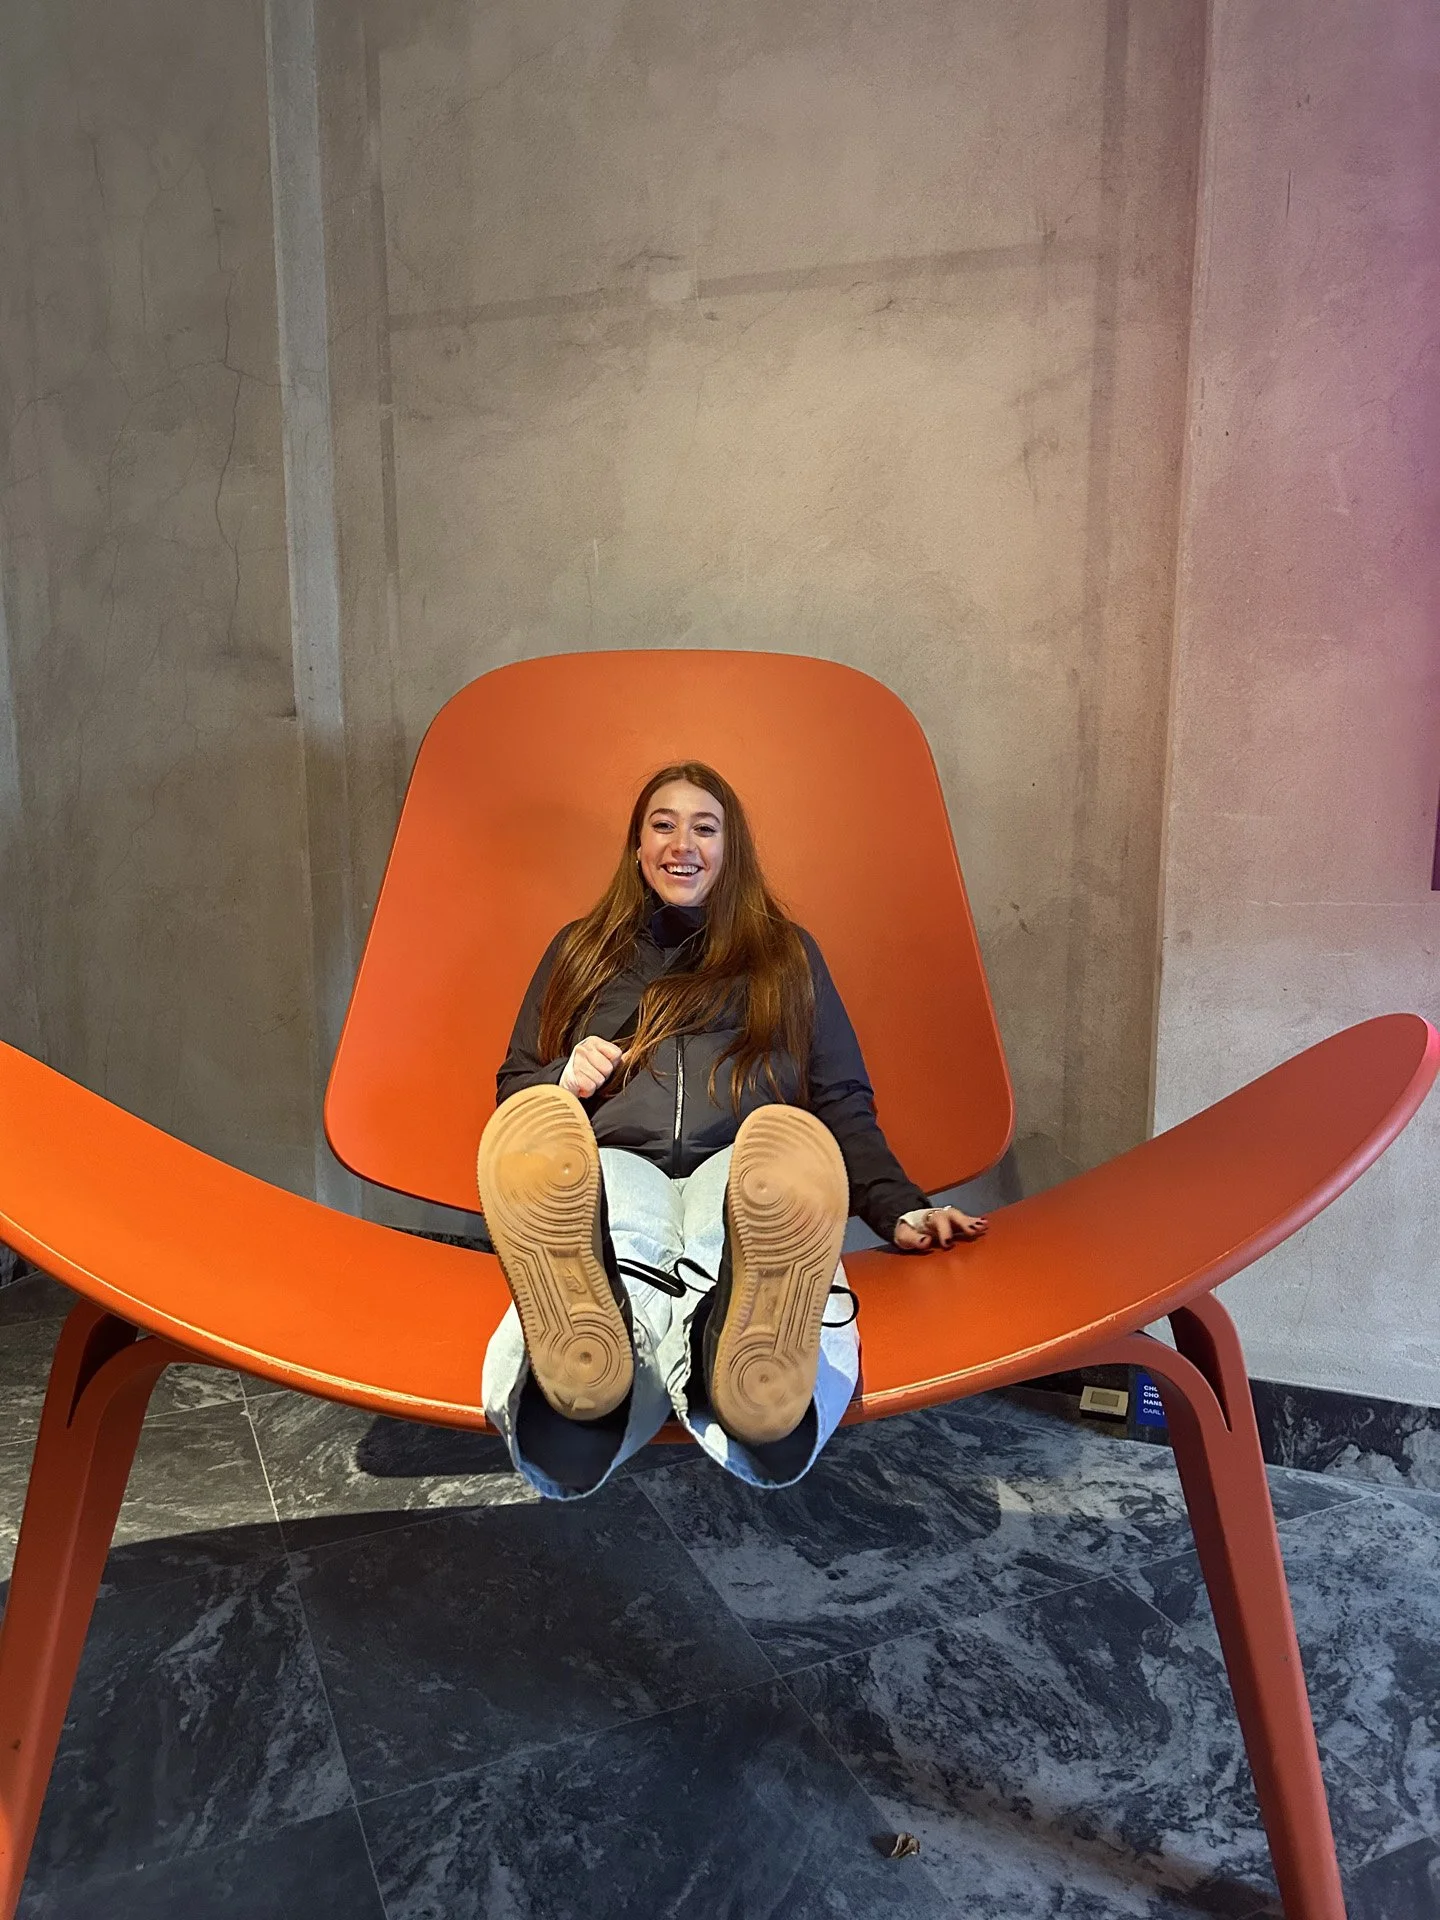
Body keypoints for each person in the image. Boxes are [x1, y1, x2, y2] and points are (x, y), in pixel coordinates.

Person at [476, 761, 988, 1500]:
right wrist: (563, 1076)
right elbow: (515, 1095)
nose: (682, 844)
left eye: (704, 828)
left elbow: (839, 1099)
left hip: (744, 1156)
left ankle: (703, 1364)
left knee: (754, 1217)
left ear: (731, 847)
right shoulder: (581, 950)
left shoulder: (786, 954)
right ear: (637, 848)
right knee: (614, 1226)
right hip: (616, 1155)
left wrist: (897, 1204)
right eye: (662, 825)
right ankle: (611, 1359)